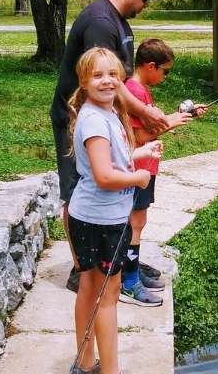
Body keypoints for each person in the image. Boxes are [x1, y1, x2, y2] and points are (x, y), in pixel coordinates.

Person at [51, 0, 169, 292]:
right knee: (77, 190)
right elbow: (108, 81)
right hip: (79, 120)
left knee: (113, 185)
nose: (145, 5)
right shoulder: (101, 23)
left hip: (107, 119)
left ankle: (118, 257)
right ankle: (81, 269)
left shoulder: (116, 20)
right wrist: (145, 112)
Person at [66, 47, 164, 374]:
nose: (107, 81)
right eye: (97, 75)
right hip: (100, 221)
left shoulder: (105, 114)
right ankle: (109, 370)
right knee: (106, 298)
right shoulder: (95, 120)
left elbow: (111, 161)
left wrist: (140, 152)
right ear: (83, 82)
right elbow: (105, 176)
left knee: (90, 289)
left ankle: (86, 362)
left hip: (93, 217)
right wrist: (138, 177)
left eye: (112, 74)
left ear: (121, 79)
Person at [120, 39, 208, 306]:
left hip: (146, 169)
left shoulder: (140, 89)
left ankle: (131, 273)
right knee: (135, 223)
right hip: (138, 169)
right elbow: (137, 137)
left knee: (139, 221)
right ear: (150, 66)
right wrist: (172, 125)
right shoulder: (134, 91)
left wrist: (182, 115)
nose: (166, 76)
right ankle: (129, 282)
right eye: (165, 71)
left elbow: (152, 123)